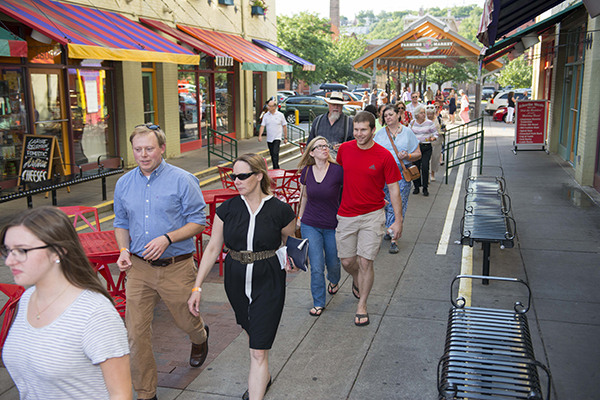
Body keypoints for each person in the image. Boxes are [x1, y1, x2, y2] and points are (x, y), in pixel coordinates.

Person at [188, 153, 297, 400]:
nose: (236, 181)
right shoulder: (227, 209)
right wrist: (197, 287)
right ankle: (264, 375)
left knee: (258, 352)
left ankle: (259, 380)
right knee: (253, 336)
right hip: (235, 280)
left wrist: (291, 260)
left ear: (259, 176)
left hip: (268, 280)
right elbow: (213, 248)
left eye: (242, 176)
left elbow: (288, 244)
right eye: (233, 176)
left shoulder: (281, 211)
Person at [114, 124, 208, 400]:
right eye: (138, 149)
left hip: (176, 266)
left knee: (186, 322)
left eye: (149, 149)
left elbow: (198, 221)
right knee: (136, 333)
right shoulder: (124, 183)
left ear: (162, 148)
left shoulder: (183, 179)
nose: (143, 155)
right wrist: (123, 250)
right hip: (140, 269)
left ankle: (200, 336)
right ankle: (146, 393)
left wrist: (167, 238)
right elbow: (121, 222)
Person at [1, 206, 131, 399]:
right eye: (8, 250)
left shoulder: (95, 313)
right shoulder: (28, 299)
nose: (9, 261)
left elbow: (121, 394)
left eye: (22, 250)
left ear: (58, 252)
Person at [336, 111, 404, 326]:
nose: (359, 134)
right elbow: (336, 177)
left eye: (363, 130)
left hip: (373, 216)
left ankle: (362, 304)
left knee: (366, 261)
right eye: (356, 130)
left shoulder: (384, 156)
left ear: (373, 130)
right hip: (346, 214)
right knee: (347, 262)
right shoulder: (345, 150)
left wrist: (398, 220)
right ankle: (356, 280)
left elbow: (394, 189)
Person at [296, 136, 344, 316]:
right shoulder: (307, 172)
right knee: (316, 266)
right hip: (311, 224)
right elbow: (305, 197)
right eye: (320, 146)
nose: (325, 148)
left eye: (326, 146)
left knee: (333, 262)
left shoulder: (338, 171)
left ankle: (334, 280)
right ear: (312, 152)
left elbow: (348, 193)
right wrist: (300, 217)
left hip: (332, 224)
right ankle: (318, 302)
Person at [374, 104, 421, 254]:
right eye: (385, 115)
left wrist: (407, 156)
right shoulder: (380, 134)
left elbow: (418, 153)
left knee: (399, 204)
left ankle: (394, 238)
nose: (388, 117)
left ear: (398, 115)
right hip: (383, 175)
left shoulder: (407, 133)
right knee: (386, 203)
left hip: (401, 173)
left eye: (390, 114)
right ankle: (390, 227)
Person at [410, 104, 438, 197]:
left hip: (426, 147)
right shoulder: (412, 123)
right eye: (422, 113)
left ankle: (425, 188)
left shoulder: (429, 123)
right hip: (416, 147)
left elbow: (436, 133)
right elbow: (409, 134)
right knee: (416, 167)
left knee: (425, 167)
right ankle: (416, 186)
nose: (424, 114)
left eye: (424, 113)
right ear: (417, 114)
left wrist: (433, 138)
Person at [258, 98, 288, 169]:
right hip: (269, 138)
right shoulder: (266, 115)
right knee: (272, 154)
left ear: (274, 107)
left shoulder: (280, 115)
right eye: (268, 106)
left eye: (270, 106)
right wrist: (260, 135)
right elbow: (262, 126)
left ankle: (276, 168)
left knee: (275, 153)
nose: (268, 107)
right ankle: (276, 166)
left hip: (277, 137)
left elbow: (284, 126)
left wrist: (285, 137)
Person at [426, 104, 444, 182]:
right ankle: (427, 176)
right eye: (428, 114)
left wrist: (443, 130)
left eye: (431, 114)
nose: (429, 115)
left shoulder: (439, 119)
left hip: (437, 142)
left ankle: (432, 174)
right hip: (427, 141)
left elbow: (443, 128)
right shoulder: (424, 120)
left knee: (435, 159)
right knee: (427, 159)